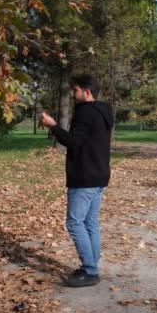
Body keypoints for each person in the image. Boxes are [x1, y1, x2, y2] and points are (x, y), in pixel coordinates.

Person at [40, 74, 113, 287]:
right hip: (100, 174)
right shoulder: (105, 111)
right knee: (90, 222)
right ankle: (92, 263)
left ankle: (90, 271)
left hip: (85, 176)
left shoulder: (85, 112)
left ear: (87, 92)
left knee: (74, 222)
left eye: (76, 90)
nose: (73, 93)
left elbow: (73, 142)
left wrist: (53, 126)